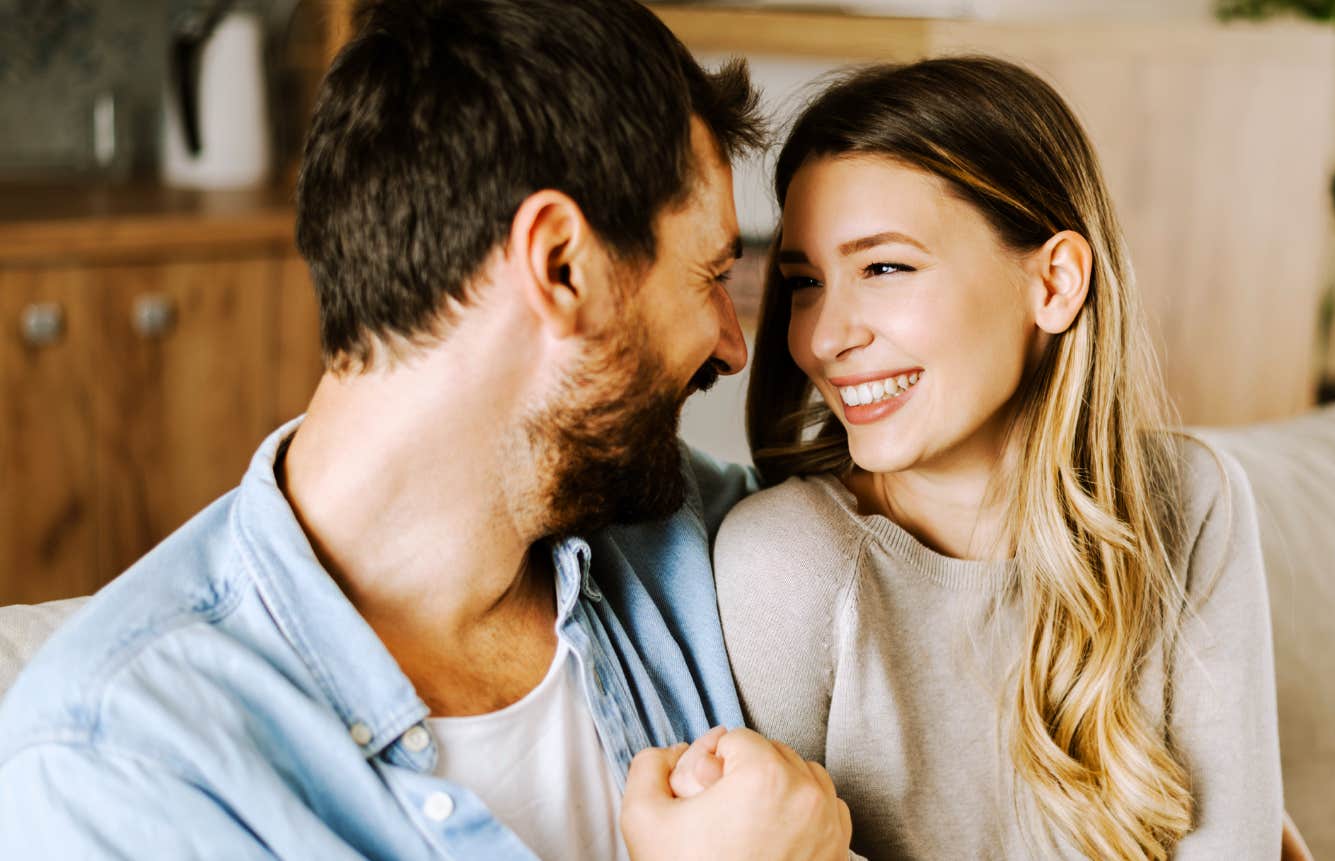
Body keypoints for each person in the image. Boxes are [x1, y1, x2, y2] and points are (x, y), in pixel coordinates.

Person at [0, 1, 851, 858]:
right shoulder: (115, 763)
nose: (735, 344)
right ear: (559, 265)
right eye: (709, 274)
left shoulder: (692, 540)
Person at [715, 57, 1282, 860]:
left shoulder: (1191, 500)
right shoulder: (785, 562)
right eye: (806, 280)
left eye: (884, 266)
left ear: (1054, 282)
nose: (821, 337)